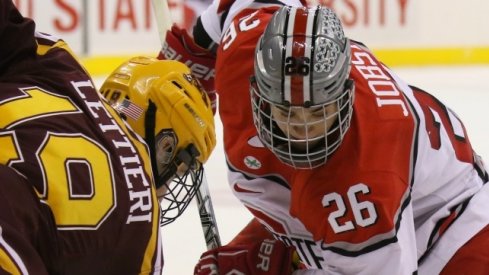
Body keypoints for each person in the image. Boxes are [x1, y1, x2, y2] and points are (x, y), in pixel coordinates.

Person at [157, 1, 489, 274]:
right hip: (342, 224)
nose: (301, 132)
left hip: (453, 233)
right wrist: (187, 62)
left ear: (346, 95)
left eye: (318, 113)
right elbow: (233, 9)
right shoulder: (245, 50)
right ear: (256, 90)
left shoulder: (362, 182)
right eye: (286, 111)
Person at [0, 0, 215, 273]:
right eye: (179, 169)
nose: (170, 186)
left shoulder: (62, 66)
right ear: (166, 144)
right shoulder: (141, 236)